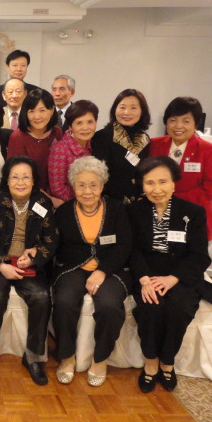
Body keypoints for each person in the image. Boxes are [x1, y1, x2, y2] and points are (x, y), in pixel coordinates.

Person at [129, 156, 212, 393]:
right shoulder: (134, 211)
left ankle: (167, 362)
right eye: (150, 183)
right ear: (142, 185)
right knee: (150, 308)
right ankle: (151, 362)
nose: (156, 189)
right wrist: (144, 279)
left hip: (180, 274)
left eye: (162, 182)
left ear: (173, 183)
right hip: (148, 274)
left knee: (179, 308)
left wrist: (173, 278)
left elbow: (199, 255)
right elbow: (132, 250)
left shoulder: (193, 212)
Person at [0, 156, 57, 389]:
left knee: (41, 297)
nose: (20, 182)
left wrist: (34, 256)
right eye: (15, 177)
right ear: (7, 180)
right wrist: (2, 265)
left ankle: (33, 356)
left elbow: (51, 239)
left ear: (33, 180)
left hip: (27, 264)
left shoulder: (42, 202)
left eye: (26, 177)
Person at [52, 156, 132, 387]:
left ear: (102, 185)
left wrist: (103, 271)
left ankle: (100, 359)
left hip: (111, 268)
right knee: (64, 302)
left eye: (93, 185)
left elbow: (124, 245)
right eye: (81, 185)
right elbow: (55, 246)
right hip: (73, 267)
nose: (87, 191)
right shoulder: (64, 212)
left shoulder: (117, 209)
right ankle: (67, 357)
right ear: (73, 186)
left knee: (109, 306)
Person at [149, 97, 212, 240]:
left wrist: (170, 200)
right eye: (173, 120)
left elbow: (210, 188)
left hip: (192, 217)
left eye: (186, 121)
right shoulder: (154, 144)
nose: (178, 126)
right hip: (156, 216)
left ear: (196, 124)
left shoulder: (210, 150)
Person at [92, 89, 151, 204]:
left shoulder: (144, 139)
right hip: (110, 203)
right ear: (115, 110)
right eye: (122, 107)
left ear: (142, 112)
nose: (127, 112)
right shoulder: (102, 137)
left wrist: (142, 195)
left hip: (138, 204)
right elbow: (97, 176)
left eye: (133, 108)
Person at [7, 89, 63, 205]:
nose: (37, 116)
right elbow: (16, 177)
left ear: (52, 111)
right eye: (31, 111)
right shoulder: (18, 137)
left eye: (42, 110)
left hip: (57, 193)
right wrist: (50, 200)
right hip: (27, 196)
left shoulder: (56, 133)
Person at [48, 100, 98, 202]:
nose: (85, 128)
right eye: (79, 123)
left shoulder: (95, 143)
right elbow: (58, 189)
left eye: (90, 122)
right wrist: (83, 200)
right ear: (70, 126)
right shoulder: (60, 149)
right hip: (70, 204)